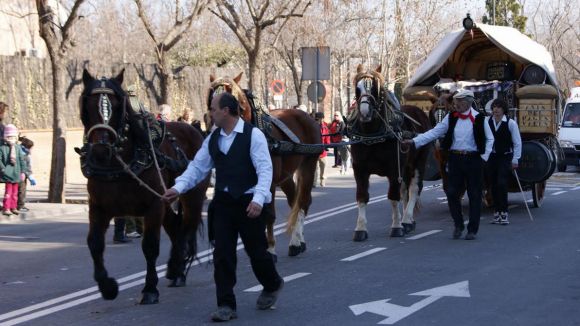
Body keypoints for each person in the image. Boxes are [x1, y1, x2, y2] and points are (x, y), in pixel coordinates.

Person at [161, 92, 283, 322]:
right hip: (224, 205)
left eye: (213, 109)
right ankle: (226, 305)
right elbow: (197, 168)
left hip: (250, 204)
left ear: (226, 111)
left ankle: (272, 283)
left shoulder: (253, 135)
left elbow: (265, 170)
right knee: (222, 255)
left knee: (257, 253)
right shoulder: (213, 139)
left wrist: (258, 199)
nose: (210, 113)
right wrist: (178, 188)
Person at [402, 89, 494, 240]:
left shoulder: (480, 119)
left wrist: (484, 158)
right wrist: (413, 142)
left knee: (475, 195)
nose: (456, 105)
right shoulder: (451, 118)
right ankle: (458, 224)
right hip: (455, 159)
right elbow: (434, 132)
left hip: (474, 160)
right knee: (451, 192)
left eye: (459, 102)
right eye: (455, 102)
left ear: (468, 103)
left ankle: (472, 229)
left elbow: (490, 139)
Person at [486, 99, 521, 225]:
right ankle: (496, 212)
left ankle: (504, 212)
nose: (496, 109)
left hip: (505, 157)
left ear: (503, 109)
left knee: (502, 183)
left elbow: (517, 142)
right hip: (492, 157)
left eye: (499, 107)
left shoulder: (511, 123)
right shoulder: (487, 121)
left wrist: (515, 159)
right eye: (494, 107)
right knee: (493, 185)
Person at [0, 124, 28, 216]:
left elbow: (21, 160)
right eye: (9, 136)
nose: (11, 138)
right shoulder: (2, 147)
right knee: (8, 192)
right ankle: (6, 207)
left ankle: (13, 207)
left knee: (15, 192)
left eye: (13, 136)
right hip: (7, 173)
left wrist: (23, 171)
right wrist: (3, 169)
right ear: (5, 137)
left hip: (16, 173)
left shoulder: (17, 147)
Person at [17, 136, 36, 212]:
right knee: (21, 190)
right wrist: (30, 176)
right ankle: (20, 205)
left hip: (16, 175)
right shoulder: (24, 155)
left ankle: (14, 205)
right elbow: (26, 167)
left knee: (16, 191)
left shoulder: (19, 151)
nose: (31, 150)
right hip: (21, 176)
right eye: (31, 148)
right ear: (26, 147)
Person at [314, 112, 331, 187]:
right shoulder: (313, 126)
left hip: (323, 151)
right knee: (314, 168)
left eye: (320, 118)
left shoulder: (325, 127)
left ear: (323, 118)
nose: (319, 120)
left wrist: (327, 145)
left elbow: (327, 137)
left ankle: (322, 181)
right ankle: (314, 182)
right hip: (314, 150)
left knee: (323, 167)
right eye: (317, 119)